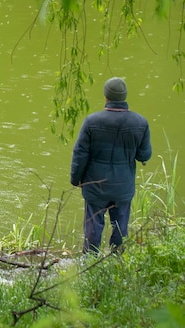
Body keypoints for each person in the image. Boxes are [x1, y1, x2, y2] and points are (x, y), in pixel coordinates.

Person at [70, 77, 152, 255]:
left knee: (93, 226)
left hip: (95, 185)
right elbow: (144, 155)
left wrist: (75, 179)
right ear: (124, 97)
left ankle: (90, 263)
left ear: (106, 96)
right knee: (120, 226)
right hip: (123, 186)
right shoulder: (140, 123)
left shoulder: (92, 121)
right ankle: (116, 262)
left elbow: (80, 154)